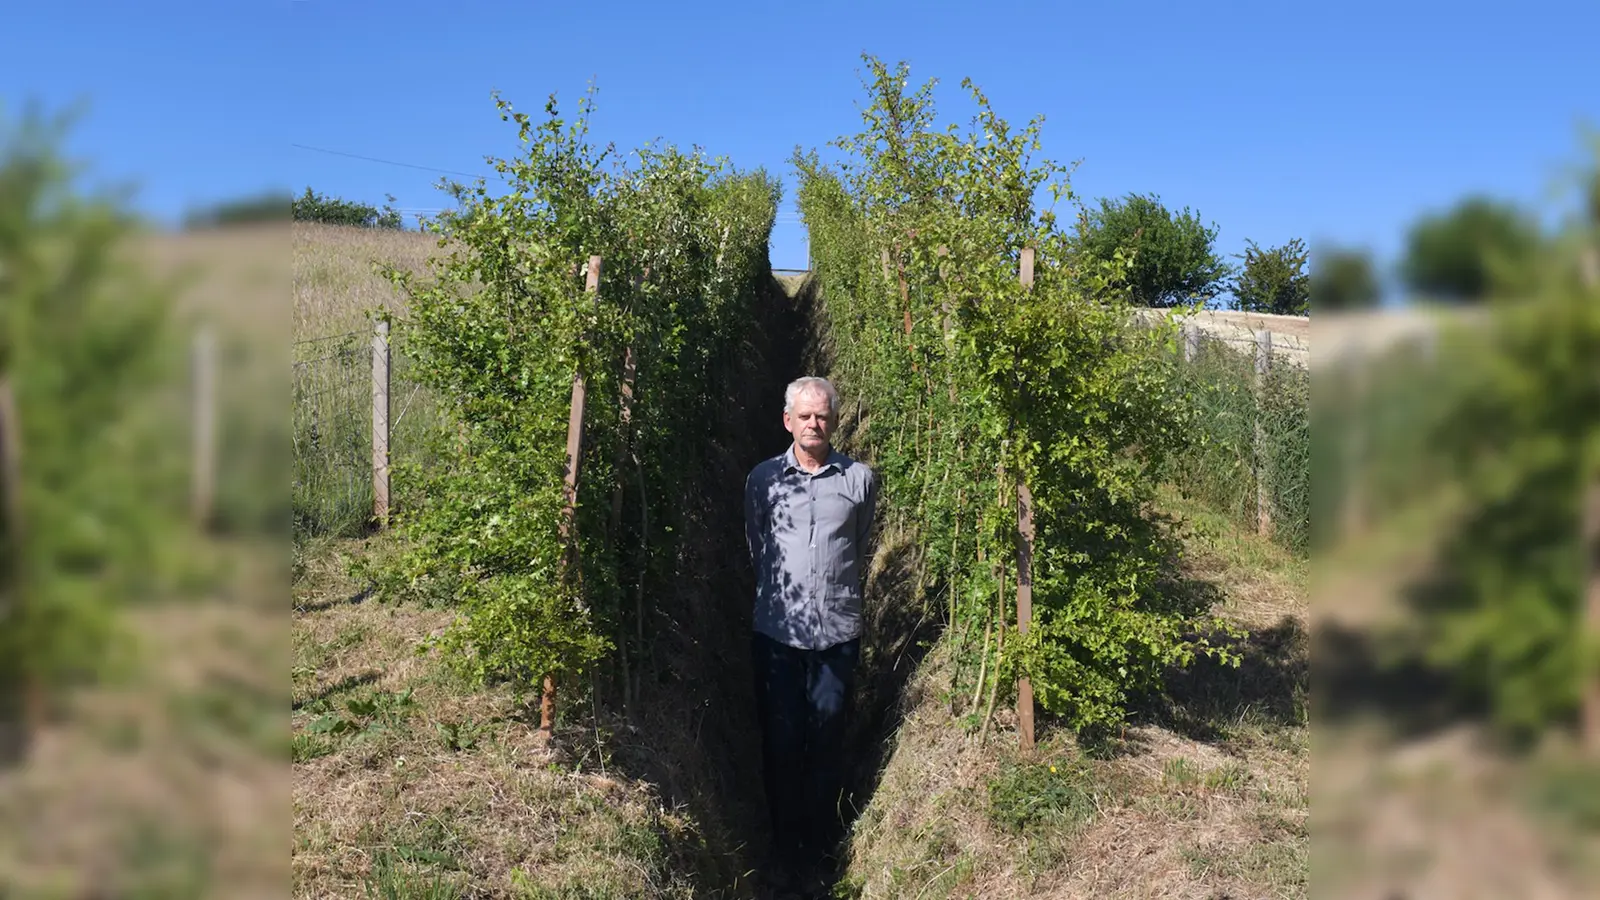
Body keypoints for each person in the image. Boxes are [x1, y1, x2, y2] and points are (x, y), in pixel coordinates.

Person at [744, 375, 878, 892]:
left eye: (821, 416)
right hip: (778, 635)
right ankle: (782, 847)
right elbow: (757, 547)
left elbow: (858, 541)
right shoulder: (762, 481)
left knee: (825, 741)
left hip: (837, 637)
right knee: (781, 742)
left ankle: (820, 850)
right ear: (787, 421)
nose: (813, 424)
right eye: (804, 416)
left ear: (833, 421)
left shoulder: (858, 480)